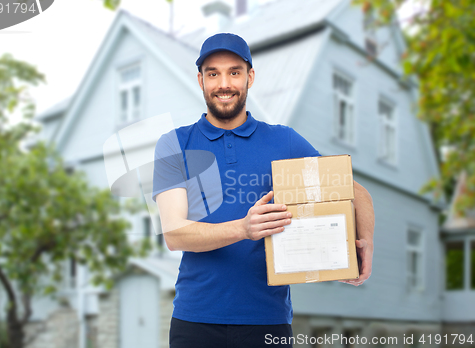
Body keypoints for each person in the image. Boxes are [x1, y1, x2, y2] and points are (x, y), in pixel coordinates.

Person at [153, 33, 375, 348]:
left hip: (267, 320)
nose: (224, 83)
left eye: (234, 72)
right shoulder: (174, 144)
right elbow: (175, 234)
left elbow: (356, 192)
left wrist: (364, 246)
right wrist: (244, 228)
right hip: (196, 320)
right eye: (213, 73)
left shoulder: (284, 142)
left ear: (250, 77)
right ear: (200, 80)